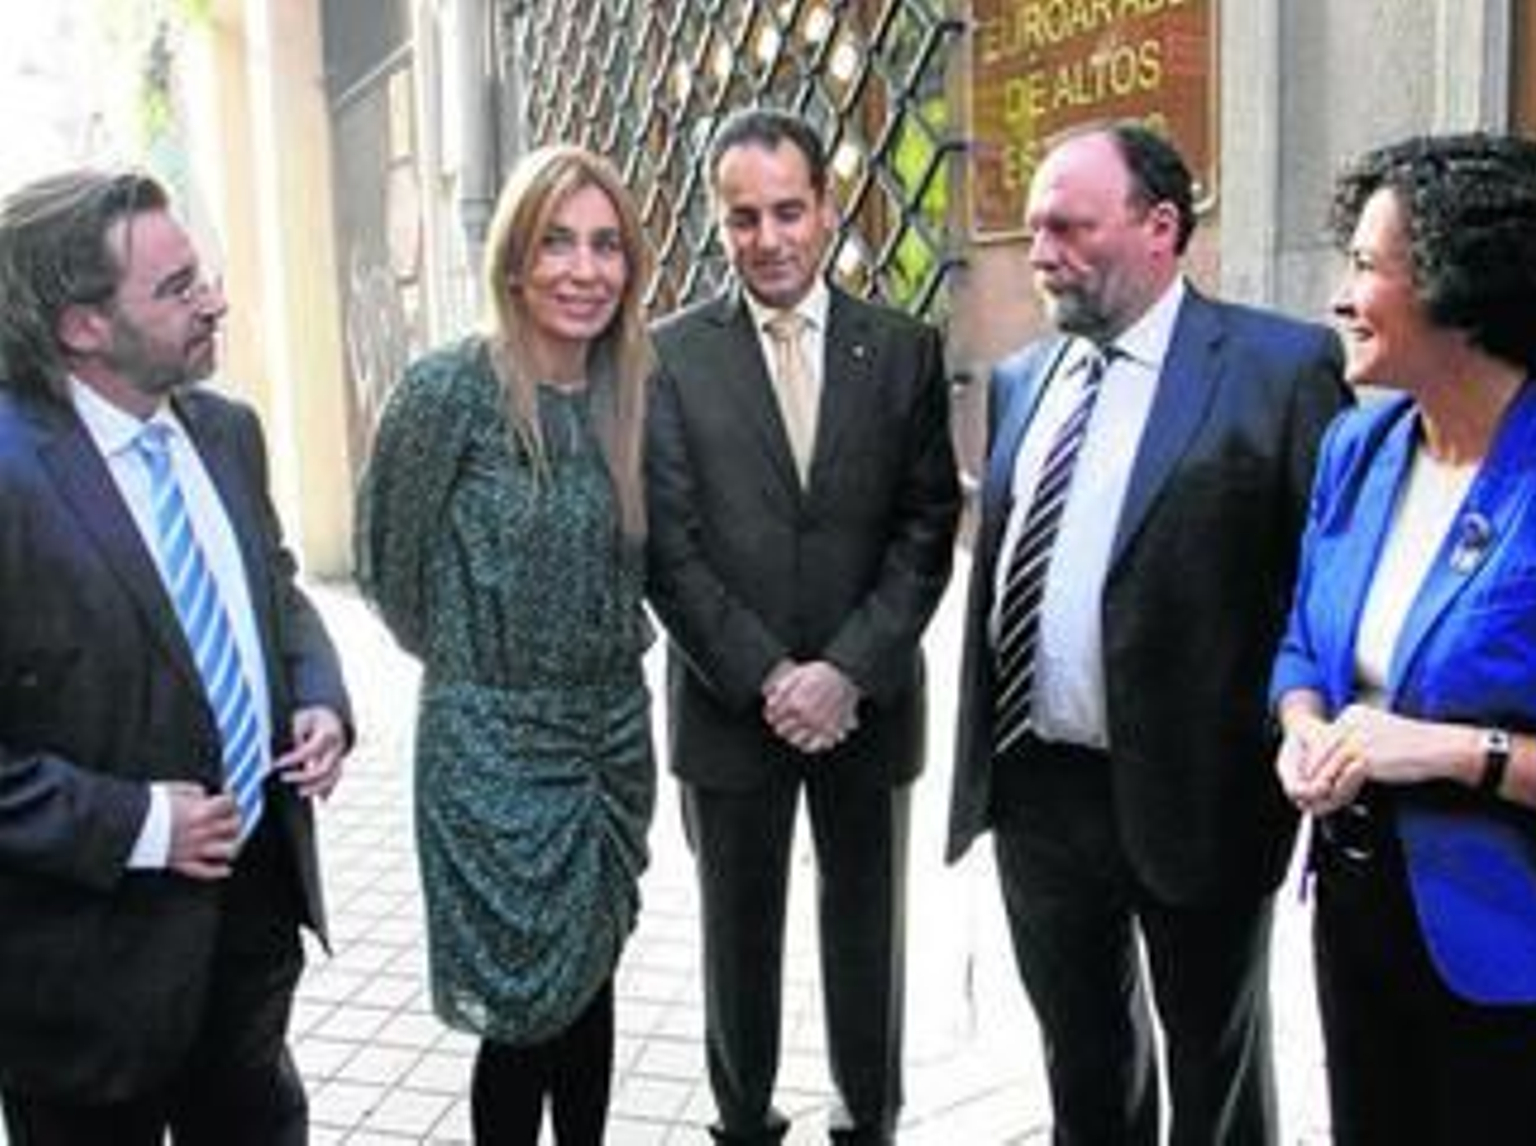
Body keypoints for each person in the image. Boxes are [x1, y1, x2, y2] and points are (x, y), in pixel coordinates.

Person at [947, 121, 1349, 1145]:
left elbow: (1324, 589)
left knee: (1213, 1073)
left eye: (1069, 227)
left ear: (1160, 226)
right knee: (1082, 1061)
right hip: (1037, 788)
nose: (1040, 252)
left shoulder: (1278, 367)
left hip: (1198, 799)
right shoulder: (1021, 378)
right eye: (1033, 229)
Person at [0, 169, 352, 1145]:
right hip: (85, 992)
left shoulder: (227, 433)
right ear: (81, 327)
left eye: (204, 273)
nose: (215, 301)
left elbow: (275, 591)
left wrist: (319, 695)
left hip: (249, 952)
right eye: (177, 287)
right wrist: (139, 823)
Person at [1269, 132, 1536, 1145]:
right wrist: (1303, 726)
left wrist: (1456, 752)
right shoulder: (1356, 446)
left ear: (1464, 293)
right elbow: (1300, 644)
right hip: (1361, 922)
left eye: (1366, 267)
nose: (1339, 294)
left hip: (1529, 961)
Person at [646, 108, 960, 1145]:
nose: (768, 238)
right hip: (729, 709)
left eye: (789, 211)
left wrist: (847, 673)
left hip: (866, 709)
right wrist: (769, 677)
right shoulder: (667, 359)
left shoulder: (906, 350)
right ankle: (742, 1120)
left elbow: (927, 525)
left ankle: (867, 1118)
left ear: (827, 209)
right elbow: (667, 547)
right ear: (716, 221)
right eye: (744, 217)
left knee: (866, 936)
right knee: (736, 940)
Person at [356, 144, 656, 1145]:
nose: (584, 270)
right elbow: (385, 570)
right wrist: (482, 677)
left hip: (609, 738)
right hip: (489, 749)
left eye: (606, 245)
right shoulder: (448, 390)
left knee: (592, 980)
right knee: (522, 1011)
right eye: (557, 242)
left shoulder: (632, 391)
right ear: (514, 261)